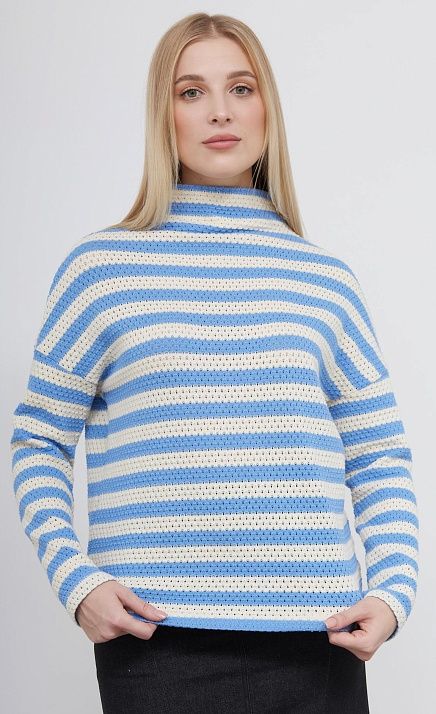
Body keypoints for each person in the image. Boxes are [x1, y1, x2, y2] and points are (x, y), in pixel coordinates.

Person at [10, 12, 419, 714]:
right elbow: (38, 440)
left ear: (267, 108)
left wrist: (393, 590)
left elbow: (378, 454)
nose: (220, 111)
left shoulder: (325, 280)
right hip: (157, 645)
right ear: (162, 114)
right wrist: (76, 582)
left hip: (317, 642)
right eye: (191, 91)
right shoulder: (101, 269)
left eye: (241, 87)